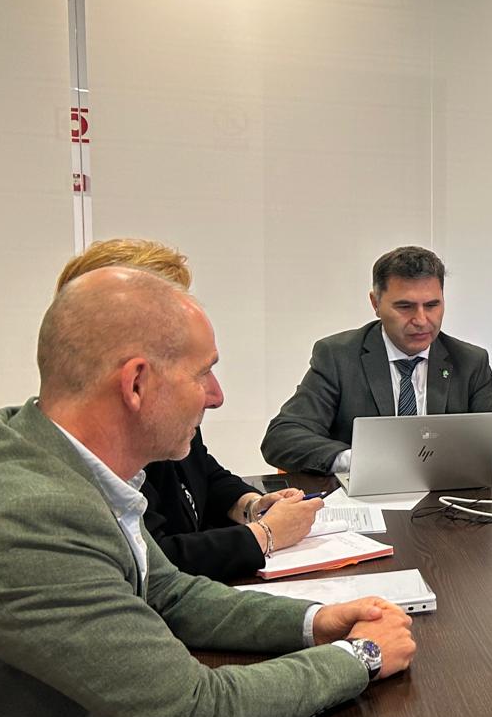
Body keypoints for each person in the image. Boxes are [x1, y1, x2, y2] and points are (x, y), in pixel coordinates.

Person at [0, 267, 417, 717]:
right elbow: (194, 715)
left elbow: (169, 593)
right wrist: (361, 658)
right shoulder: (30, 517)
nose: (216, 395)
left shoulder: (55, 458)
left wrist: (318, 621)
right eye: (203, 372)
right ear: (137, 383)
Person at [57, 238, 321, 580]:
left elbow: (201, 473)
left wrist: (251, 506)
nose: (215, 396)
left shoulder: (164, 407)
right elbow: (152, 568)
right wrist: (265, 535)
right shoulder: (90, 456)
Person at [261, 246, 492, 474]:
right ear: (375, 303)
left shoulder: (469, 361)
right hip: (364, 505)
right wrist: (356, 461)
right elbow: (282, 437)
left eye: (432, 305)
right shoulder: (338, 356)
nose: (421, 320)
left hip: (444, 501)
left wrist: (436, 459)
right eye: (405, 307)